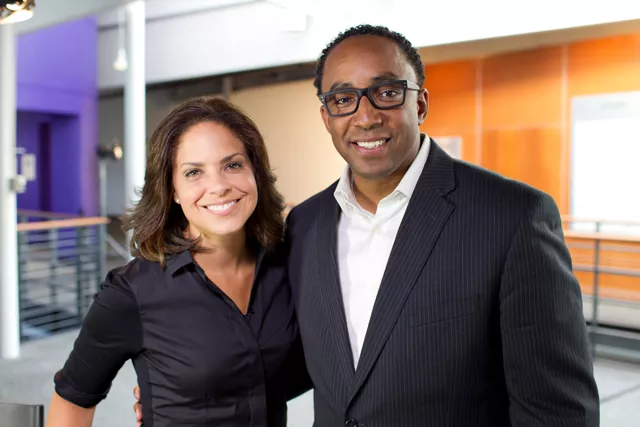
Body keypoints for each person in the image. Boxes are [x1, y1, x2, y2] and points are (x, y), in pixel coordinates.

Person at [136, 25, 600, 426]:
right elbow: (312, 362)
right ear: (327, 116)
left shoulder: (512, 217)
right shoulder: (307, 225)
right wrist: (193, 392)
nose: (365, 115)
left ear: (419, 104)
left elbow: (557, 412)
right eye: (343, 99)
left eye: (387, 91)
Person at [46, 96, 310, 427]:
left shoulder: (287, 264)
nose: (218, 187)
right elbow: (72, 401)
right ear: (172, 189)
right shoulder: (133, 292)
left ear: (254, 171)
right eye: (193, 172)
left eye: (233, 165)